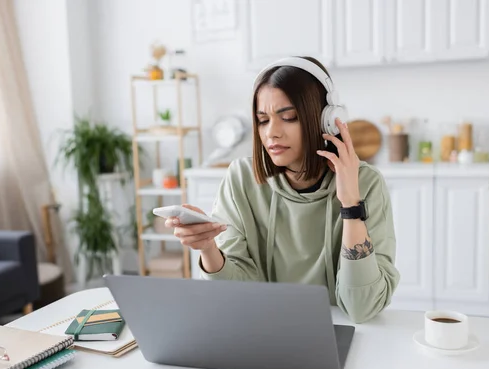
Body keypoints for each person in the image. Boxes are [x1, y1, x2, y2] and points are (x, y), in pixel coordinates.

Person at [164, 56, 400, 323]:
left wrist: (350, 205)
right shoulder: (242, 178)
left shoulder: (366, 183)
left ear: (326, 120)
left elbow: (362, 308)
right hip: (265, 329)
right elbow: (237, 295)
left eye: (288, 117)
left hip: (340, 332)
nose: (271, 133)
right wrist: (208, 248)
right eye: (263, 120)